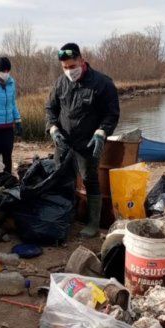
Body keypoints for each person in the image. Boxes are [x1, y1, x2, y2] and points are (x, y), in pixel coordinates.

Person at [46, 43, 119, 238]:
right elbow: (50, 110)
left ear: (81, 60)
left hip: (88, 141)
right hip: (64, 140)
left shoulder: (102, 83)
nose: (69, 71)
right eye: (65, 68)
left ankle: (93, 223)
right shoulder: (60, 83)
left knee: (89, 178)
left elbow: (111, 114)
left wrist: (101, 132)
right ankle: (67, 214)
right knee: (61, 176)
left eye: (72, 66)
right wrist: (53, 129)